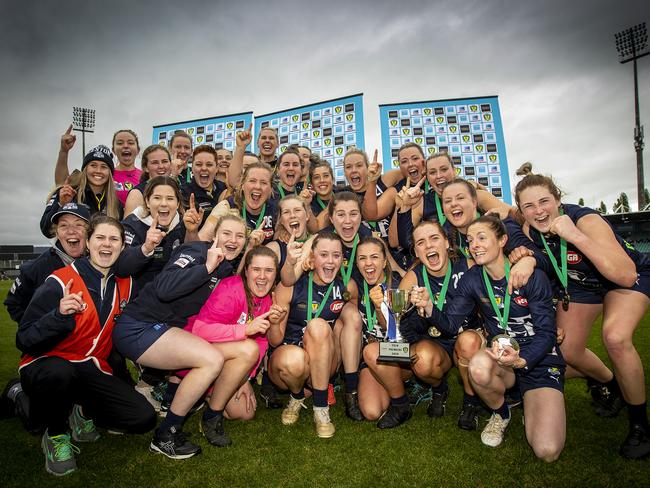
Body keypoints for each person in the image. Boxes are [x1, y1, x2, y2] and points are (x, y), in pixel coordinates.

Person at [515, 169, 650, 459]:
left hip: (623, 277)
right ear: (521, 212)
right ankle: (612, 386)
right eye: (529, 206)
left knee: (615, 337)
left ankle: (640, 426)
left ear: (558, 199)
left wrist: (574, 235)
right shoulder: (528, 231)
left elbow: (625, 274)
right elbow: (496, 209)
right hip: (580, 285)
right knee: (568, 350)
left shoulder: (585, 219)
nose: (538, 211)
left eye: (544, 201)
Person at [415, 215, 566, 462]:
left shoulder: (531, 276)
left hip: (536, 361)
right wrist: (430, 307)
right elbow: (452, 325)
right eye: (471, 240)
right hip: (501, 361)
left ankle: (533, 400)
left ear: (503, 240)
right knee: (477, 366)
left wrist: (522, 361)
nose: (474, 245)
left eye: (482, 238)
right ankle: (501, 413)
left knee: (547, 451)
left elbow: (548, 334)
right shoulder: (472, 280)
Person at [16, 215, 156, 476]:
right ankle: (56, 433)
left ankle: (79, 409)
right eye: (100, 237)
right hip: (46, 365)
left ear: (122, 248)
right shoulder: (60, 280)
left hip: (89, 368)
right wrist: (57, 316)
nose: (107, 244)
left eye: (114, 239)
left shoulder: (126, 284)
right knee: (50, 392)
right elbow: (23, 340)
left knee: (142, 417)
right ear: (88, 243)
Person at [112, 214, 246, 458]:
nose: (233, 240)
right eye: (227, 233)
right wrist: (206, 267)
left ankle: (170, 404)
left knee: (209, 352)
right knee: (211, 359)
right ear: (215, 235)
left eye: (240, 236)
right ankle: (166, 435)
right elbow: (164, 288)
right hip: (138, 326)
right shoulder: (196, 252)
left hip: (164, 329)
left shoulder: (227, 269)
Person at [396, 221, 485, 430]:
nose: (428, 246)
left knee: (468, 342)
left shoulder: (469, 266)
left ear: (446, 242)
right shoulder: (413, 277)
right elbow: (396, 322)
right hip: (438, 344)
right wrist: (386, 308)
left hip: (467, 336)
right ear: (416, 251)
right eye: (421, 242)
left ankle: (471, 402)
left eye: (434, 238)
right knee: (422, 360)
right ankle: (439, 388)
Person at [268, 232, 358, 437]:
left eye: (336, 255)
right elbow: (274, 340)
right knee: (295, 359)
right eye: (324, 255)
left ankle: (321, 409)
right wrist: (273, 324)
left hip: (325, 363)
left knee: (319, 325)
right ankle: (297, 396)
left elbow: (352, 322)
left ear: (342, 259)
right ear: (312, 257)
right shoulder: (290, 286)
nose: (330, 261)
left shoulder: (347, 286)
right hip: (289, 362)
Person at [183, 246, 281, 434]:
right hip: (198, 353)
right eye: (256, 269)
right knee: (248, 348)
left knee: (245, 413)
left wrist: (244, 378)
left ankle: (206, 394)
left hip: (230, 359)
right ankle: (212, 415)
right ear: (246, 271)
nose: (262, 276)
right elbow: (200, 330)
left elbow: (262, 343)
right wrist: (245, 329)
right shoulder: (231, 288)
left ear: (275, 274)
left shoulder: (269, 299)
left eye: (269, 270)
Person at [351, 237, 407, 424]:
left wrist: (378, 307)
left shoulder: (398, 286)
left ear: (384, 262)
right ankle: (391, 386)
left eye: (374, 257)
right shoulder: (356, 286)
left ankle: (401, 402)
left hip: (400, 355)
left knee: (372, 351)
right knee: (372, 412)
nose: (368, 263)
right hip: (371, 359)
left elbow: (396, 334)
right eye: (362, 258)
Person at [6, 203, 90, 324]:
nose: (71, 231)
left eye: (78, 225)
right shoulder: (37, 267)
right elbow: (14, 303)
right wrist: (42, 330)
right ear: (56, 232)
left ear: (89, 230)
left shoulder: (99, 263)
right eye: (64, 225)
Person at [117, 176, 190, 289]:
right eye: (157, 198)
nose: (164, 203)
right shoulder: (132, 225)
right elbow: (120, 268)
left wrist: (193, 231)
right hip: (140, 296)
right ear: (147, 202)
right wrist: (145, 248)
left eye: (170, 198)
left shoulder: (182, 223)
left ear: (178, 203)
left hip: (173, 292)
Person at [41, 145, 122, 238]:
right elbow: (47, 231)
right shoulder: (68, 192)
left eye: (104, 167)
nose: (98, 171)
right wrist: (60, 205)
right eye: (93, 165)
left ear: (110, 173)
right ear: (85, 169)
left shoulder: (115, 202)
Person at [180, 145, 227, 228]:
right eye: (198, 164)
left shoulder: (224, 188)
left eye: (209, 164)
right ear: (193, 168)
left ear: (216, 168)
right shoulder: (183, 192)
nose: (204, 168)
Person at [124, 145, 176, 216]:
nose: (161, 166)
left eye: (164, 161)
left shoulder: (174, 188)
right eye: (155, 163)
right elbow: (128, 226)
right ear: (146, 168)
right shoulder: (137, 194)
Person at [111, 130, 142, 205]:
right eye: (120, 143)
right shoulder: (108, 175)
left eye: (130, 143)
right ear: (113, 150)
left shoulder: (145, 176)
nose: (125, 146)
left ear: (138, 150)